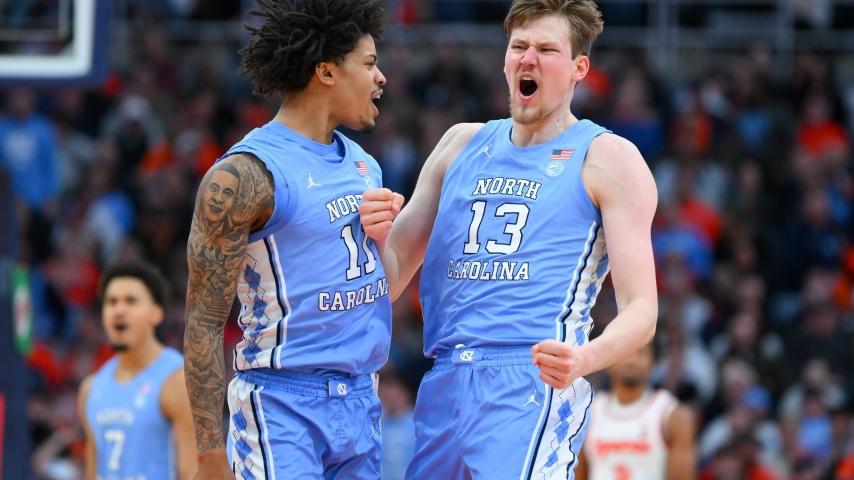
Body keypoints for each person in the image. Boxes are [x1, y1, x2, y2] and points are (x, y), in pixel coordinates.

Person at [360, 0, 658, 477]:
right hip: (445, 380)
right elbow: (388, 279)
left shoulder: (608, 158)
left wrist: (584, 358)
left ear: (579, 68)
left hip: (530, 379)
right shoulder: (459, 144)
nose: (528, 59)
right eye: (519, 47)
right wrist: (376, 236)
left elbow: (642, 310)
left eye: (547, 49)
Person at [183, 1, 391, 478]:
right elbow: (203, 320)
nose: (380, 78)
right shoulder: (245, 175)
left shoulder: (365, 165)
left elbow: (377, 288)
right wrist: (209, 453)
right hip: (281, 404)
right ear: (326, 71)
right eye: (369, 63)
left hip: (361, 399)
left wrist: (391, 235)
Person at [78, 260, 196, 479]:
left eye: (131, 301)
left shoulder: (177, 379)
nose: (119, 310)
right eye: (111, 302)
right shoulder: (90, 388)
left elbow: (193, 472)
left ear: (156, 313)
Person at [576, 342, 696, 480]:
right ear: (608, 360)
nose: (632, 360)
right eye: (625, 352)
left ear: (653, 361)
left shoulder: (672, 415)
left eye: (641, 352)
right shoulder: (588, 412)